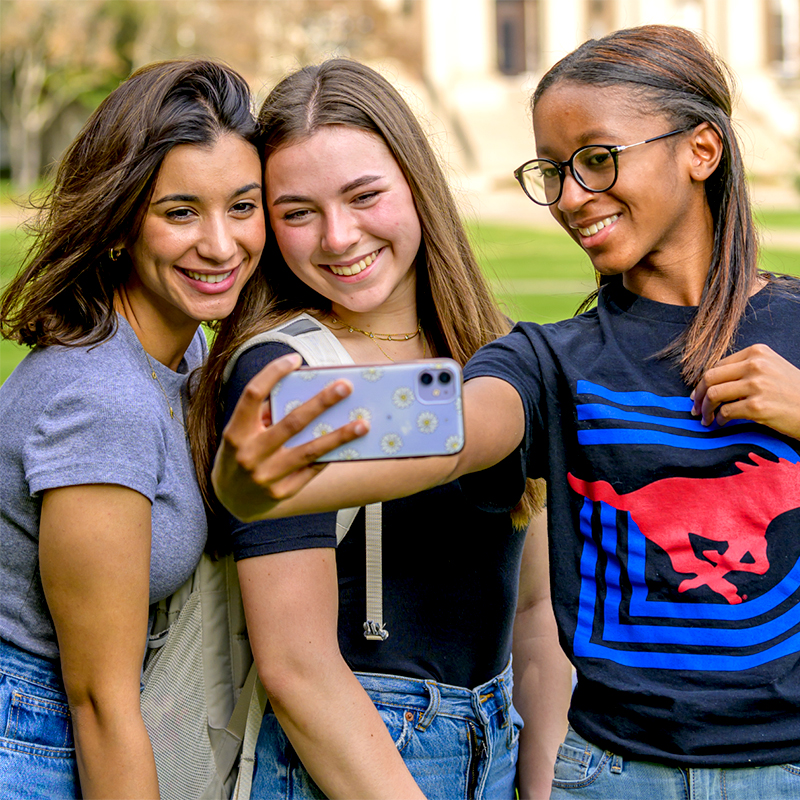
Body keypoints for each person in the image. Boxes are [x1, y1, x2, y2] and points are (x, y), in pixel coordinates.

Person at [211, 25, 800, 800]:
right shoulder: (544, 361)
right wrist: (253, 480)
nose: (571, 197)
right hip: (616, 775)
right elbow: (451, 432)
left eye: (597, 159)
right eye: (554, 171)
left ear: (701, 150)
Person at [189, 58, 572, 799]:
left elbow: (534, 608)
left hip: (496, 743)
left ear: (417, 185)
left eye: (365, 196)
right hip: (354, 755)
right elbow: (296, 667)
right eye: (297, 212)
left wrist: (541, 778)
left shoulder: (497, 359)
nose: (338, 236)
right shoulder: (285, 369)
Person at [0, 59, 265, 799]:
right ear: (119, 224)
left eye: (243, 206)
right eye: (181, 213)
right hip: (35, 744)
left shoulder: (188, 350)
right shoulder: (102, 401)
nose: (220, 245)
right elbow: (98, 702)